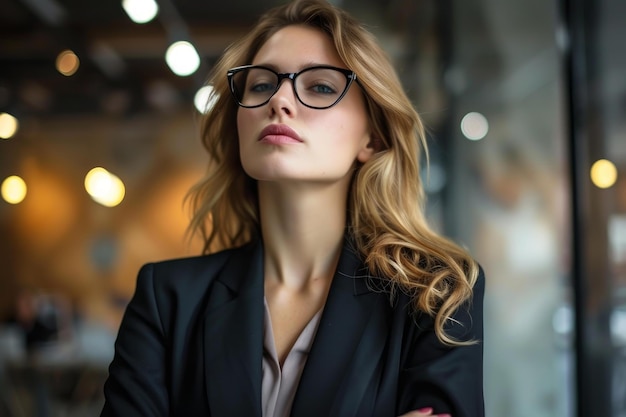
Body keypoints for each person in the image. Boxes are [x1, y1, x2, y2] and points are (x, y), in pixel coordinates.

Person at [100, 0, 485, 416]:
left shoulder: (435, 294)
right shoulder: (167, 300)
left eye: (320, 86)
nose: (280, 100)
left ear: (371, 138)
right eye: (261, 85)